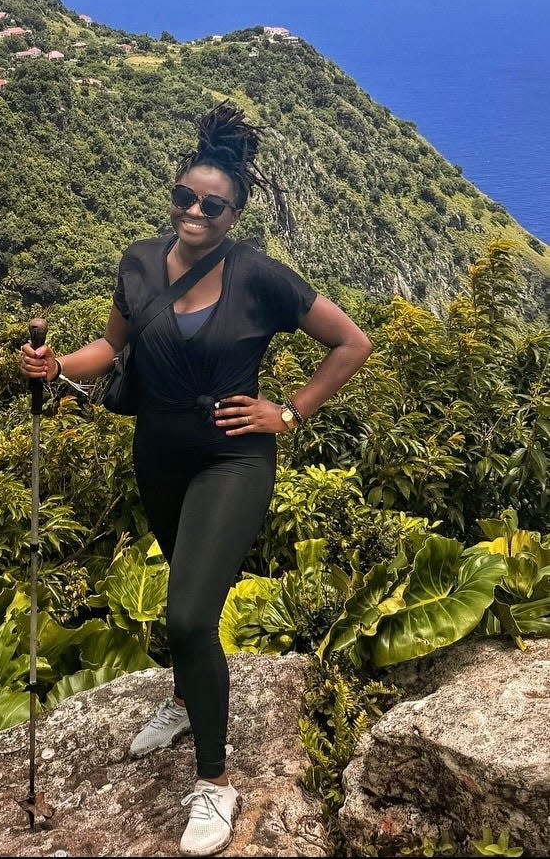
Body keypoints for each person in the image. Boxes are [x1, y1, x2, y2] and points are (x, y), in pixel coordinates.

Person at [20, 102, 372, 857]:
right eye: (185, 197)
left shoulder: (259, 277)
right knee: (184, 586)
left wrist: (291, 410)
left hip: (232, 458)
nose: (194, 212)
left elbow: (352, 341)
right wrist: (53, 368)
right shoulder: (139, 262)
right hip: (159, 453)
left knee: (186, 615)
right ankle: (183, 698)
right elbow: (108, 349)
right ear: (172, 196)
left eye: (212, 204)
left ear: (234, 211)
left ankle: (214, 781)